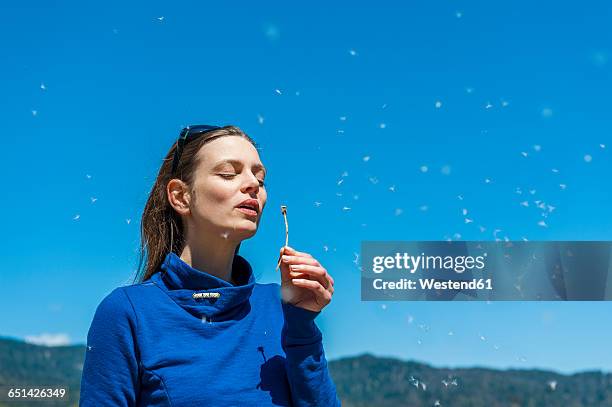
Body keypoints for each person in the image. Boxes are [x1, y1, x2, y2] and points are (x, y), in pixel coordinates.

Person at [79, 125, 341, 406]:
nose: (253, 185)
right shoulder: (127, 313)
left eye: (260, 179)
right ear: (180, 196)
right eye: (229, 173)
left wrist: (302, 326)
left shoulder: (283, 308)